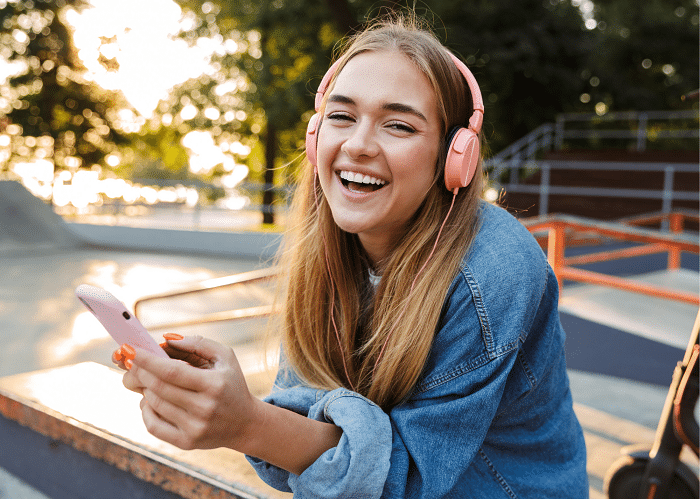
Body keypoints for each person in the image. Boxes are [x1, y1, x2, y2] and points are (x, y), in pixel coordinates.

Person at [117, 13, 589, 498]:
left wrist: (248, 425)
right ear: (316, 135)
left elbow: (400, 482)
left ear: (454, 157)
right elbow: (310, 438)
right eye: (342, 116)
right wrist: (222, 403)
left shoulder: (495, 271)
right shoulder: (330, 250)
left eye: (399, 125)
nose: (358, 145)